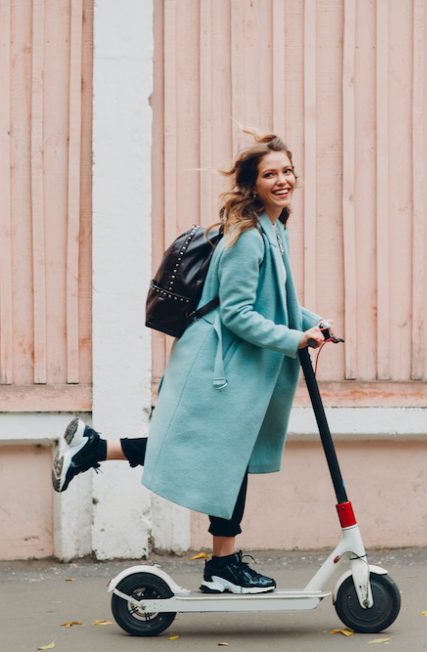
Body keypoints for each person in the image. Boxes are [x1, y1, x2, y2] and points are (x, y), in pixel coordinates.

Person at [52, 130, 328, 594]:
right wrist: (294, 340)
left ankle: (97, 451)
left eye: (286, 171)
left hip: (240, 366)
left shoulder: (274, 228)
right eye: (270, 174)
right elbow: (238, 314)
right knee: (216, 455)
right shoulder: (247, 238)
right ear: (252, 184)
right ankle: (222, 565)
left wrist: (313, 322)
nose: (282, 180)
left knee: (223, 457)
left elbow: (276, 300)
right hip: (219, 364)